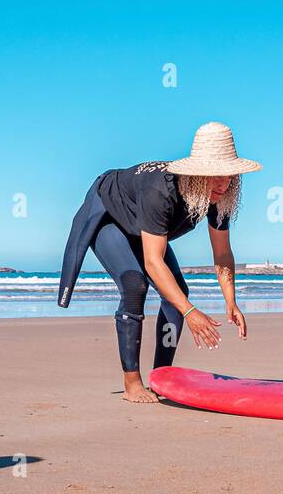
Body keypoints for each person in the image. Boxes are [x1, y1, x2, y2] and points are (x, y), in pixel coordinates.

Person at [57, 122, 261, 403]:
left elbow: (222, 253)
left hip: (144, 227)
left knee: (177, 293)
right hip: (111, 216)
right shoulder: (161, 190)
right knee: (134, 285)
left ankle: (161, 376)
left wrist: (231, 301)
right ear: (198, 174)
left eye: (229, 177)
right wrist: (191, 313)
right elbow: (153, 262)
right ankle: (132, 383)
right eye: (216, 177)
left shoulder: (219, 197)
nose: (223, 184)